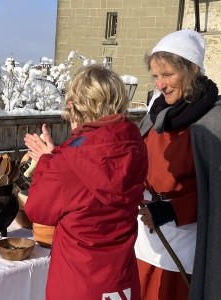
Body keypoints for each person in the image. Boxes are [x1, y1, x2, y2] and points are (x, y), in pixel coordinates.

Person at [135, 29, 221, 299]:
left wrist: (172, 210)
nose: (160, 85)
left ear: (192, 69)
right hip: (145, 239)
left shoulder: (217, 122)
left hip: (187, 247)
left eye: (167, 75)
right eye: (155, 76)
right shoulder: (157, 114)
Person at [24, 64, 148, 300]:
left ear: (74, 106)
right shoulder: (135, 146)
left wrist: (46, 162)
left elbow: (37, 210)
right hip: (120, 282)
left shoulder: (67, 162)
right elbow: (98, 163)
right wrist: (55, 157)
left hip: (78, 283)